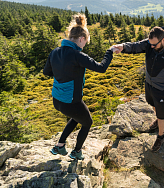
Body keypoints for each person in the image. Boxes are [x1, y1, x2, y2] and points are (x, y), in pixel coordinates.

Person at [43, 13, 116, 160]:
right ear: (81, 39)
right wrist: (110, 52)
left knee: (77, 118)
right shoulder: (78, 55)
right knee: (87, 122)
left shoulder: (55, 52)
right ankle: (76, 152)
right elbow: (101, 68)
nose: (84, 46)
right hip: (71, 101)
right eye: (85, 42)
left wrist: (63, 76)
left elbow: (46, 72)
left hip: (57, 100)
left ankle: (60, 146)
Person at [113, 25, 164, 152]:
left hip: (162, 89)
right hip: (149, 84)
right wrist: (122, 47)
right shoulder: (151, 43)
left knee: (162, 114)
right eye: (150, 44)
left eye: (154, 45)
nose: (151, 47)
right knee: (151, 103)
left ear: (163, 40)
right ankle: (158, 117)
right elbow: (136, 46)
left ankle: (161, 136)